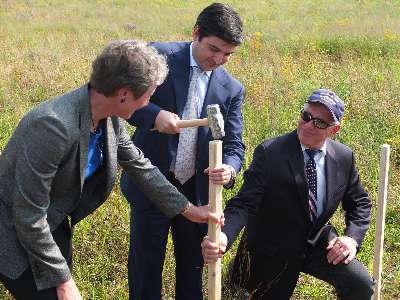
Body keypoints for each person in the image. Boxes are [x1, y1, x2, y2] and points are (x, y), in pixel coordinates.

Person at [0, 40, 220, 300]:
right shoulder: (53, 126)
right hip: (11, 231)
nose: (149, 103)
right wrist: (64, 282)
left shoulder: (109, 117)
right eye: (149, 95)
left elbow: (139, 165)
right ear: (124, 94)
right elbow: (28, 214)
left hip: (52, 223)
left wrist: (188, 210)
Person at [120, 3, 245, 299]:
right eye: (213, 49)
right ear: (196, 33)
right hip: (152, 185)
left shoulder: (232, 89)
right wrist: (153, 115)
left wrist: (230, 168)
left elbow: (235, 144)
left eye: (227, 54)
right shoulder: (159, 56)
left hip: (198, 194)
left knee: (192, 271)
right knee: (145, 269)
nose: (219, 59)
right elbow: (123, 99)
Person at [202, 89, 375, 300]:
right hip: (273, 248)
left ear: (334, 129)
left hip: (316, 242)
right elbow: (243, 204)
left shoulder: (343, 157)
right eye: (306, 116)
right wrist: (223, 235)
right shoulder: (270, 153)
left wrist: (351, 238)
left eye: (319, 123)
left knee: (361, 284)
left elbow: (360, 203)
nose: (309, 124)